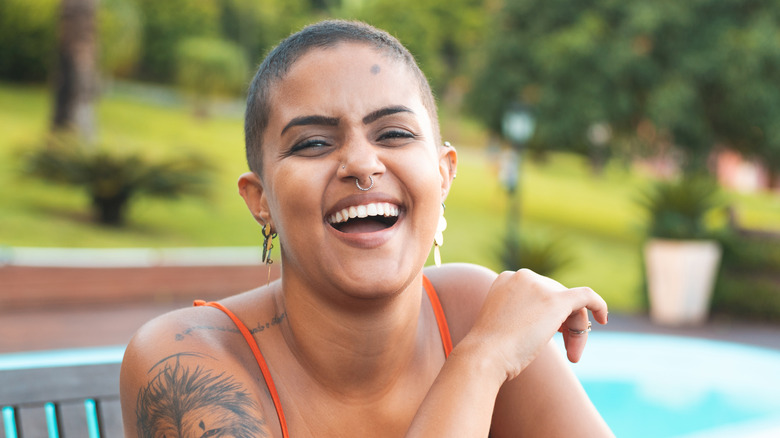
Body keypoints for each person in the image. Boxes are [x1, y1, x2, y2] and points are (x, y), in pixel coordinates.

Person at [120, 19, 612, 438]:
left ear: (443, 175)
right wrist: (479, 364)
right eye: (313, 143)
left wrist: (482, 346)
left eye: (394, 133)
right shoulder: (184, 359)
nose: (361, 163)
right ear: (261, 199)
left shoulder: (474, 308)